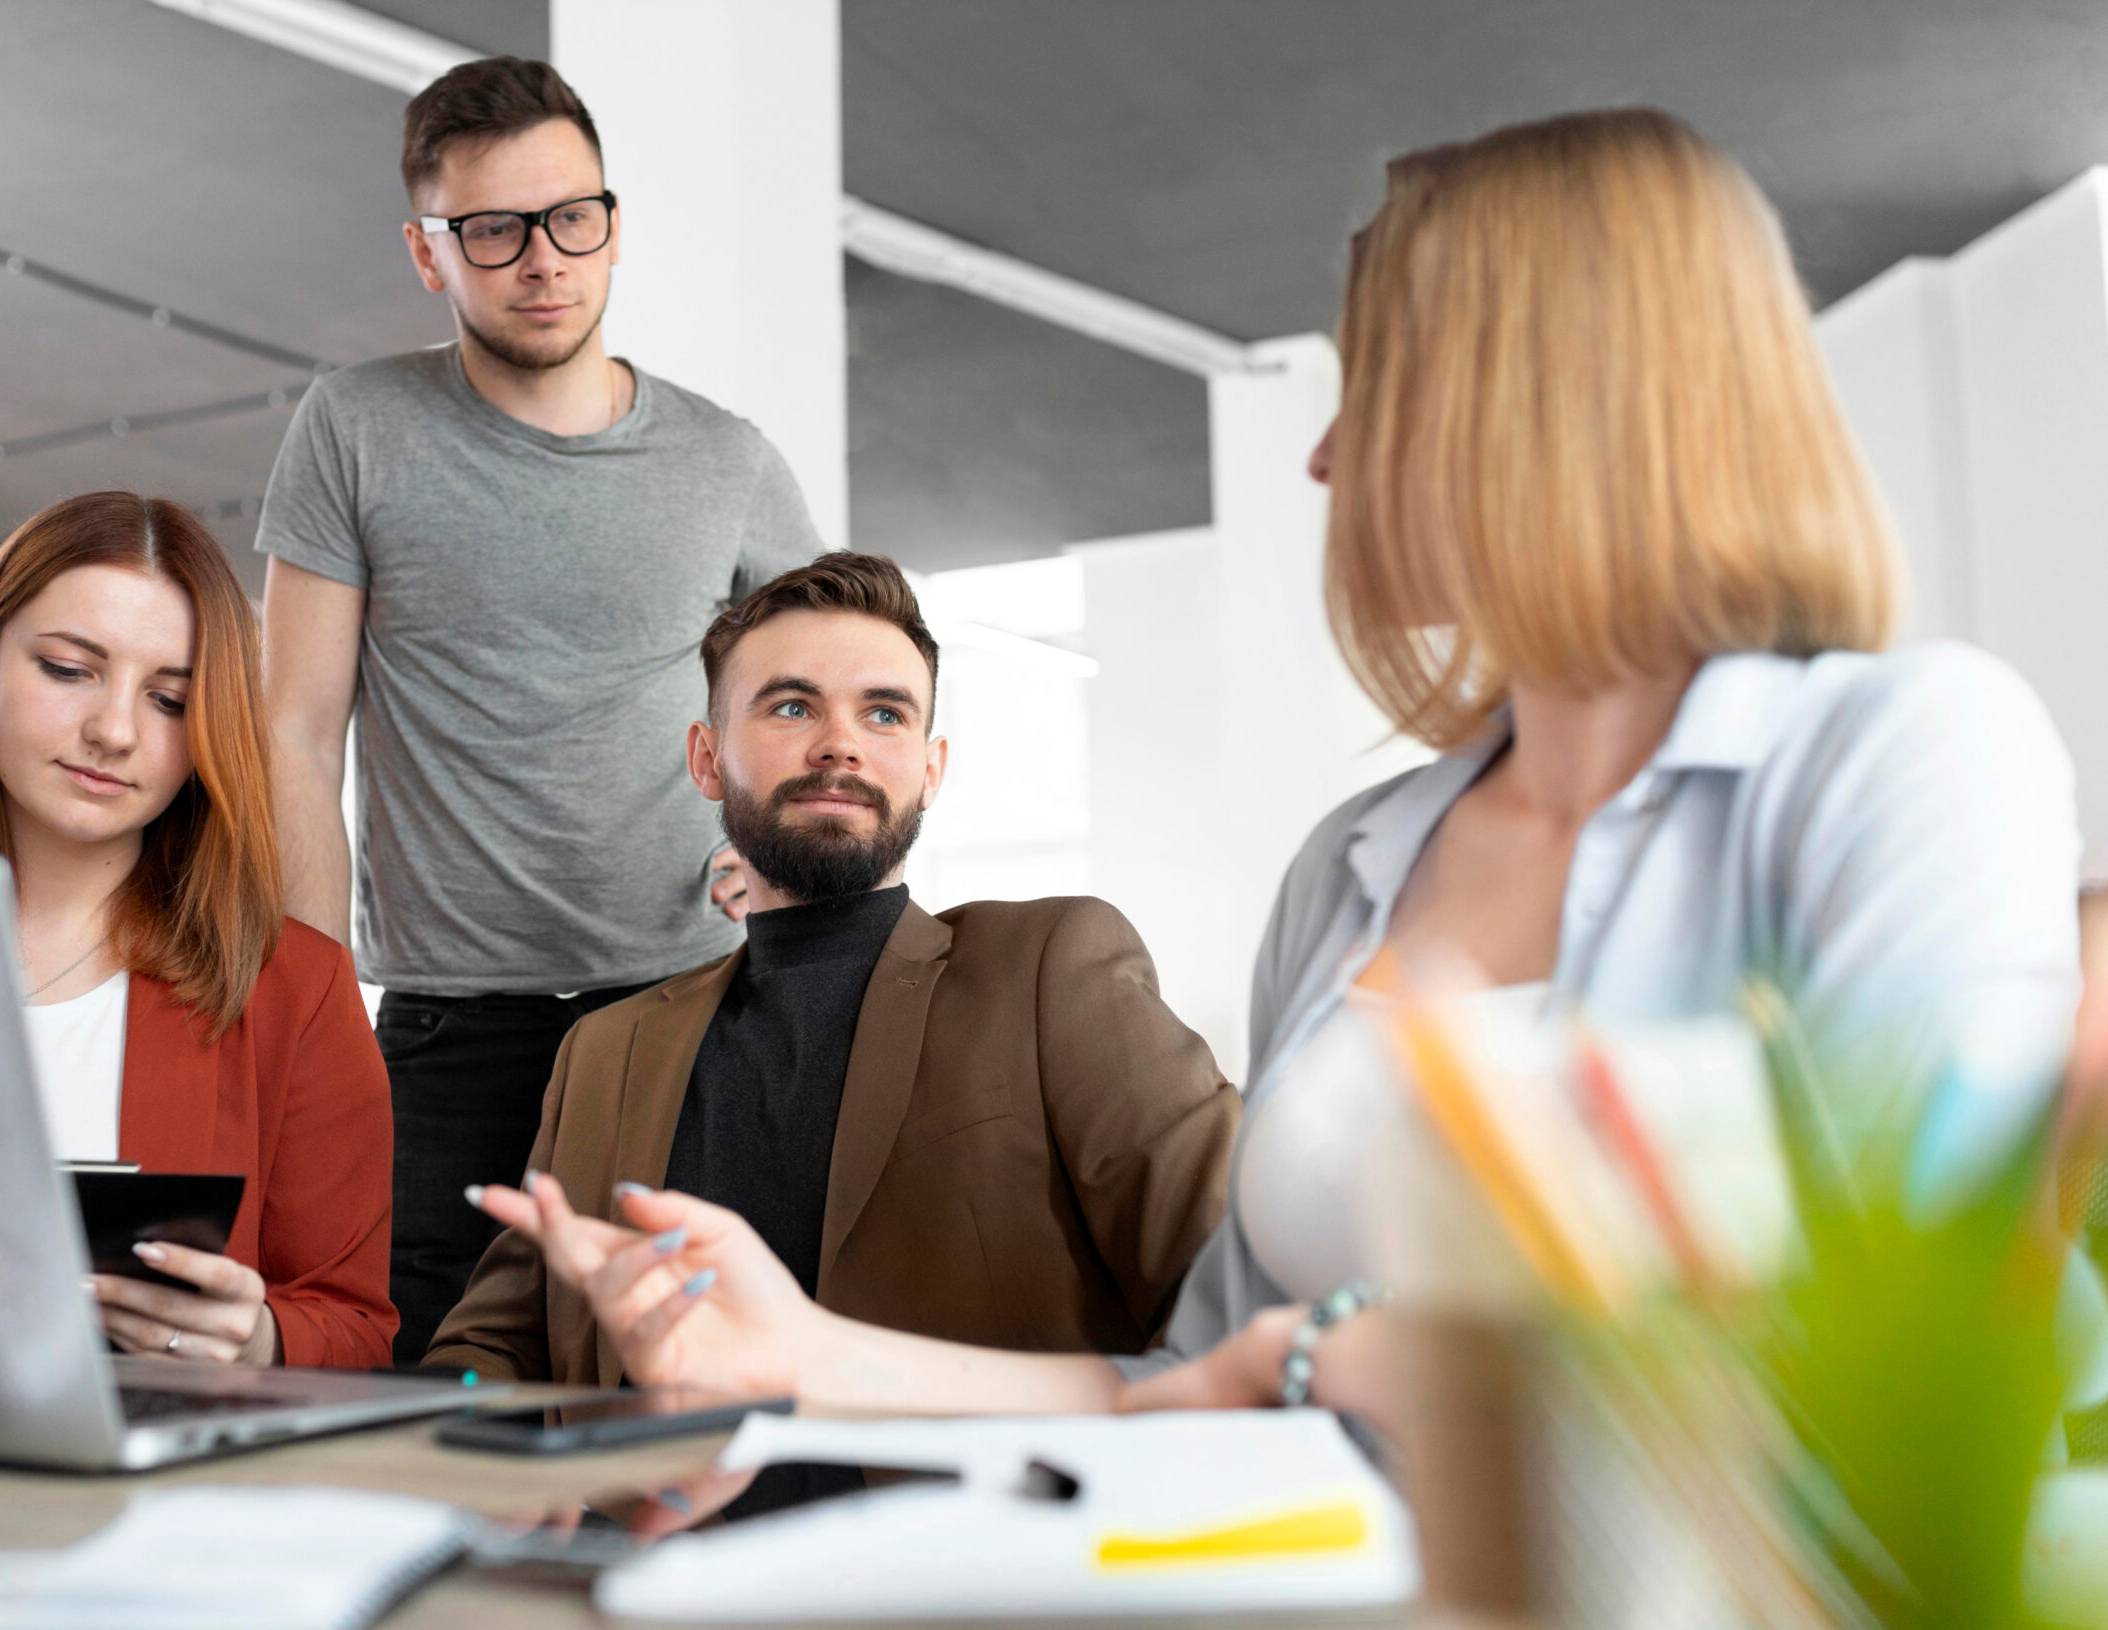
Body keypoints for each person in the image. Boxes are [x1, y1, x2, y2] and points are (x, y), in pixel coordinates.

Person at [469, 107, 2083, 1421]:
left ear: (1545, 394)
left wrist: (1327, 1367)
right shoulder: (1362, 856)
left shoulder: (1900, 753)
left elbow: (1922, 1379)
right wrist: (805, 1353)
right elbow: (1200, 1385)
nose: (1320, 454)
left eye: (1362, 376)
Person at [256, 55, 824, 1363]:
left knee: (691, 1384)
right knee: (422, 1390)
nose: (542, 260)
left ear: (612, 225)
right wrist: (311, 999)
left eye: (573, 218)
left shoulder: (726, 459)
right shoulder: (354, 428)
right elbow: (296, 729)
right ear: (427, 251)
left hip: (687, 1007)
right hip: (449, 1025)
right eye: (493, 231)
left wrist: (779, 860)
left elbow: (816, 694)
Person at [424, 553, 1236, 1384]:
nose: (839, 744)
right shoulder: (605, 1050)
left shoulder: (1050, 969)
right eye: (791, 705)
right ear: (707, 760)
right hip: (659, 1513)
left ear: (932, 769)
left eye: (884, 713)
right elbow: (488, 1352)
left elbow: (1245, 1280)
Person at [0, 491, 397, 1370]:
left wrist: (256, 1336)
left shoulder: (295, 989)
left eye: (170, 700)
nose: (113, 730)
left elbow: (357, 1326)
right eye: (69, 669)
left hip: (155, 1482)